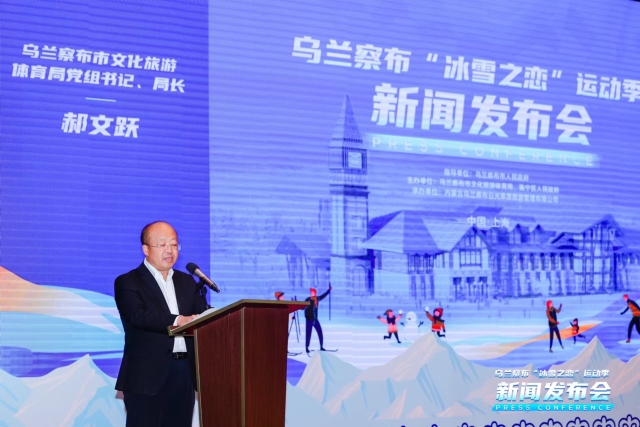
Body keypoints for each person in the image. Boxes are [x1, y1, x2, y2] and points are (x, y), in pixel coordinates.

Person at [114, 221, 207, 427]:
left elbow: (202, 316)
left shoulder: (187, 282)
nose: (169, 250)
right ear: (145, 249)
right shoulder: (128, 281)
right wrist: (178, 320)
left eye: (174, 244)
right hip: (146, 375)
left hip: (184, 373)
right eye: (162, 244)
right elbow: (139, 316)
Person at [304, 286, 331, 354]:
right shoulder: (308, 299)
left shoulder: (317, 299)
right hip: (309, 320)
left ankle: (321, 346)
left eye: (312, 292)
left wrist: (329, 290)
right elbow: (303, 307)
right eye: (311, 292)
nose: (311, 293)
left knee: (320, 332)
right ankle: (306, 348)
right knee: (308, 334)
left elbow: (323, 295)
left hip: (315, 320)